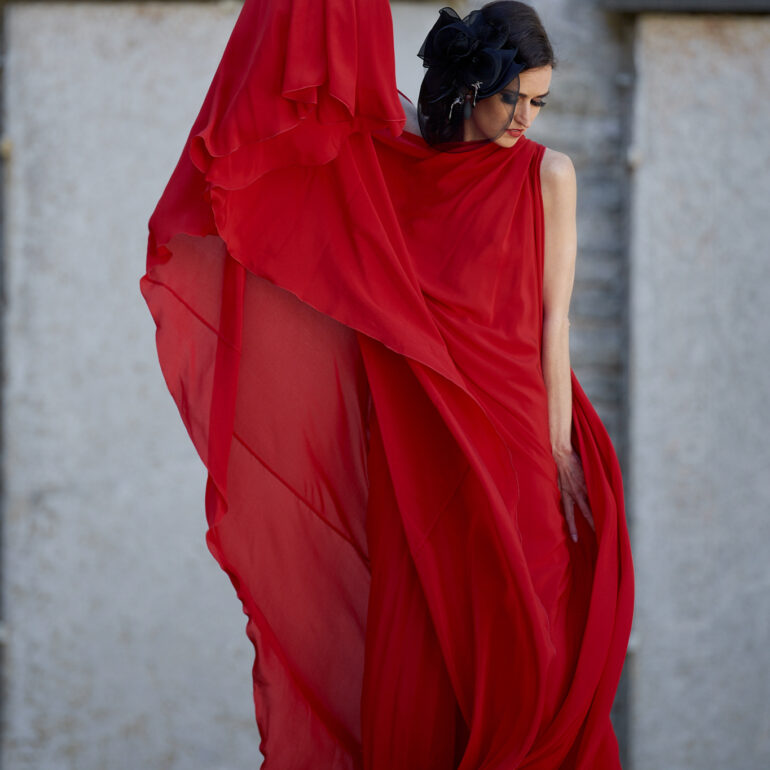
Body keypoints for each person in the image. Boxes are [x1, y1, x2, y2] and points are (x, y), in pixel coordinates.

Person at [140, 1, 634, 768]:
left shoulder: (549, 175)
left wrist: (562, 452)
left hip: (522, 440)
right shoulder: (396, 168)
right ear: (472, 85)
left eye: (540, 103)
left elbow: (552, 330)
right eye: (514, 99)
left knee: (533, 653)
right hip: (426, 442)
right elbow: (319, 91)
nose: (525, 120)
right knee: (433, 654)